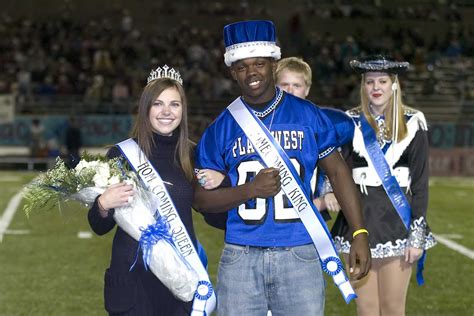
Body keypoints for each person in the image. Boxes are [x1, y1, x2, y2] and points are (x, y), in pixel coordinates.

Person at [193, 20, 370, 316]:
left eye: (259, 64)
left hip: (299, 252)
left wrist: (360, 233)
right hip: (241, 255)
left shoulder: (307, 115)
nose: (251, 73)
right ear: (232, 71)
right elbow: (199, 199)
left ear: (274, 63)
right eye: (242, 66)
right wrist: (248, 190)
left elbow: (339, 173)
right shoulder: (221, 127)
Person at [87, 66, 205, 315]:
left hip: (179, 277)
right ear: (145, 108)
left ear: (183, 110)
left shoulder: (194, 154)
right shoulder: (122, 154)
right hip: (131, 278)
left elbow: (214, 213)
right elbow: (99, 227)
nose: (166, 112)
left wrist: (220, 181)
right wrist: (102, 204)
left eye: (174, 104)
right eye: (158, 104)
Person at [330, 55, 437, 316]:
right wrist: (327, 191)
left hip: (397, 224)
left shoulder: (413, 121)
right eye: (369, 82)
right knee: (366, 309)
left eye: (382, 81)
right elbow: (336, 170)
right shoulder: (350, 121)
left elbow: (421, 183)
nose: (376, 87)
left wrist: (417, 236)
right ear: (363, 86)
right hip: (357, 224)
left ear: (394, 84)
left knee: (392, 309)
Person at [274, 56, 354, 215]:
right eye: (284, 85)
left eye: (296, 85)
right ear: (274, 87)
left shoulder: (323, 122)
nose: (290, 91)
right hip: (266, 215)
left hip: (308, 214)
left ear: (307, 89)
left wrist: (329, 191)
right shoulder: (259, 123)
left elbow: (338, 157)